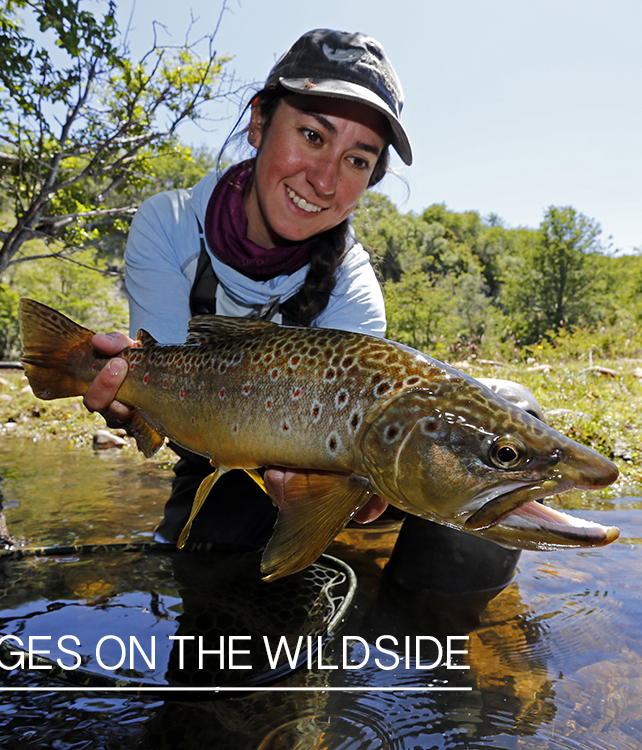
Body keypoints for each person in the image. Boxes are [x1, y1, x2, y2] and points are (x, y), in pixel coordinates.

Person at [85, 29, 519, 592]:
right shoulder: (168, 224)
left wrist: (320, 490)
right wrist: (136, 397)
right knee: (211, 596)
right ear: (259, 122)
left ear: (371, 178)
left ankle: (433, 630)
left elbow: (350, 443)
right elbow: (175, 391)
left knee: (510, 413)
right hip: (213, 451)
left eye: (357, 160)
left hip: (341, 458)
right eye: (312, 135)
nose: (324, 180)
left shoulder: (354, 282)